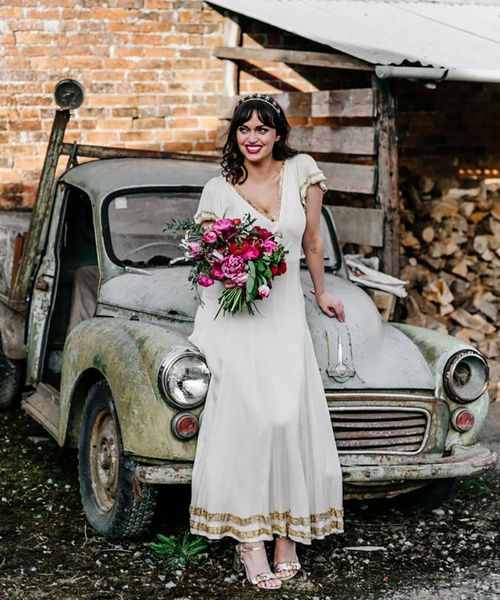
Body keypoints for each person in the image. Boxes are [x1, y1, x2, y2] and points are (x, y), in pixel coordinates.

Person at [186, 92, 345, 590]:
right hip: (233, 316)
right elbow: (205, 261)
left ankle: (287, 533)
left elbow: (313, 239)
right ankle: (249, 541)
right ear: (235, 136)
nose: (252, 138)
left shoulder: (302, 172)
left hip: (282, 313)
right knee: (248, 420)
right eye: (243, 129)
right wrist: (233, 269)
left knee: (284, 417)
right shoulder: (218, 188)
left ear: (279, 134)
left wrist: (320, 293)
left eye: (262, 129)